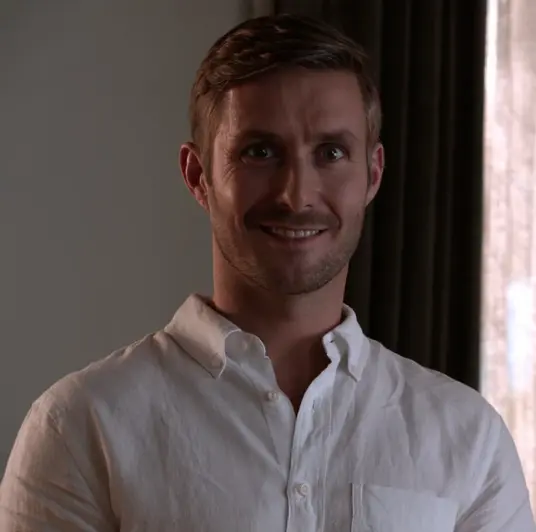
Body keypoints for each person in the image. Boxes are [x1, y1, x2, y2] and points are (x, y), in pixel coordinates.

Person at [0, 13, 534, 532]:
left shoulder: (468, 436)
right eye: (259, 152)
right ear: (198, 175)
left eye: (331, 152)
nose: (296, 196)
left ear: (373, 174)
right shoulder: (80, 426)